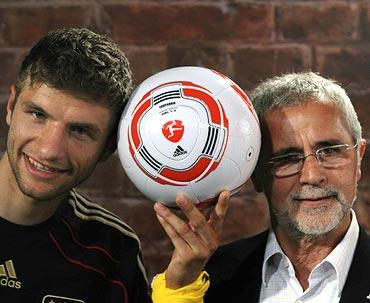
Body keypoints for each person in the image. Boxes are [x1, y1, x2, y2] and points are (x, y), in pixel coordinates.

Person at [152, 72, 369, 303]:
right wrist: (180, 291)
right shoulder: (204, 281)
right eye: (287, 158)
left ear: (359, 159)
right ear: (255, 175)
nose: (312, 175)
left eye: (330, 151)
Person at [0, 27, 152, 303]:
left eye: (80, 131)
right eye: (38, 114)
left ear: (108, 148)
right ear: (11, 106)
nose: (49, 150)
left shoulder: (114, 251)